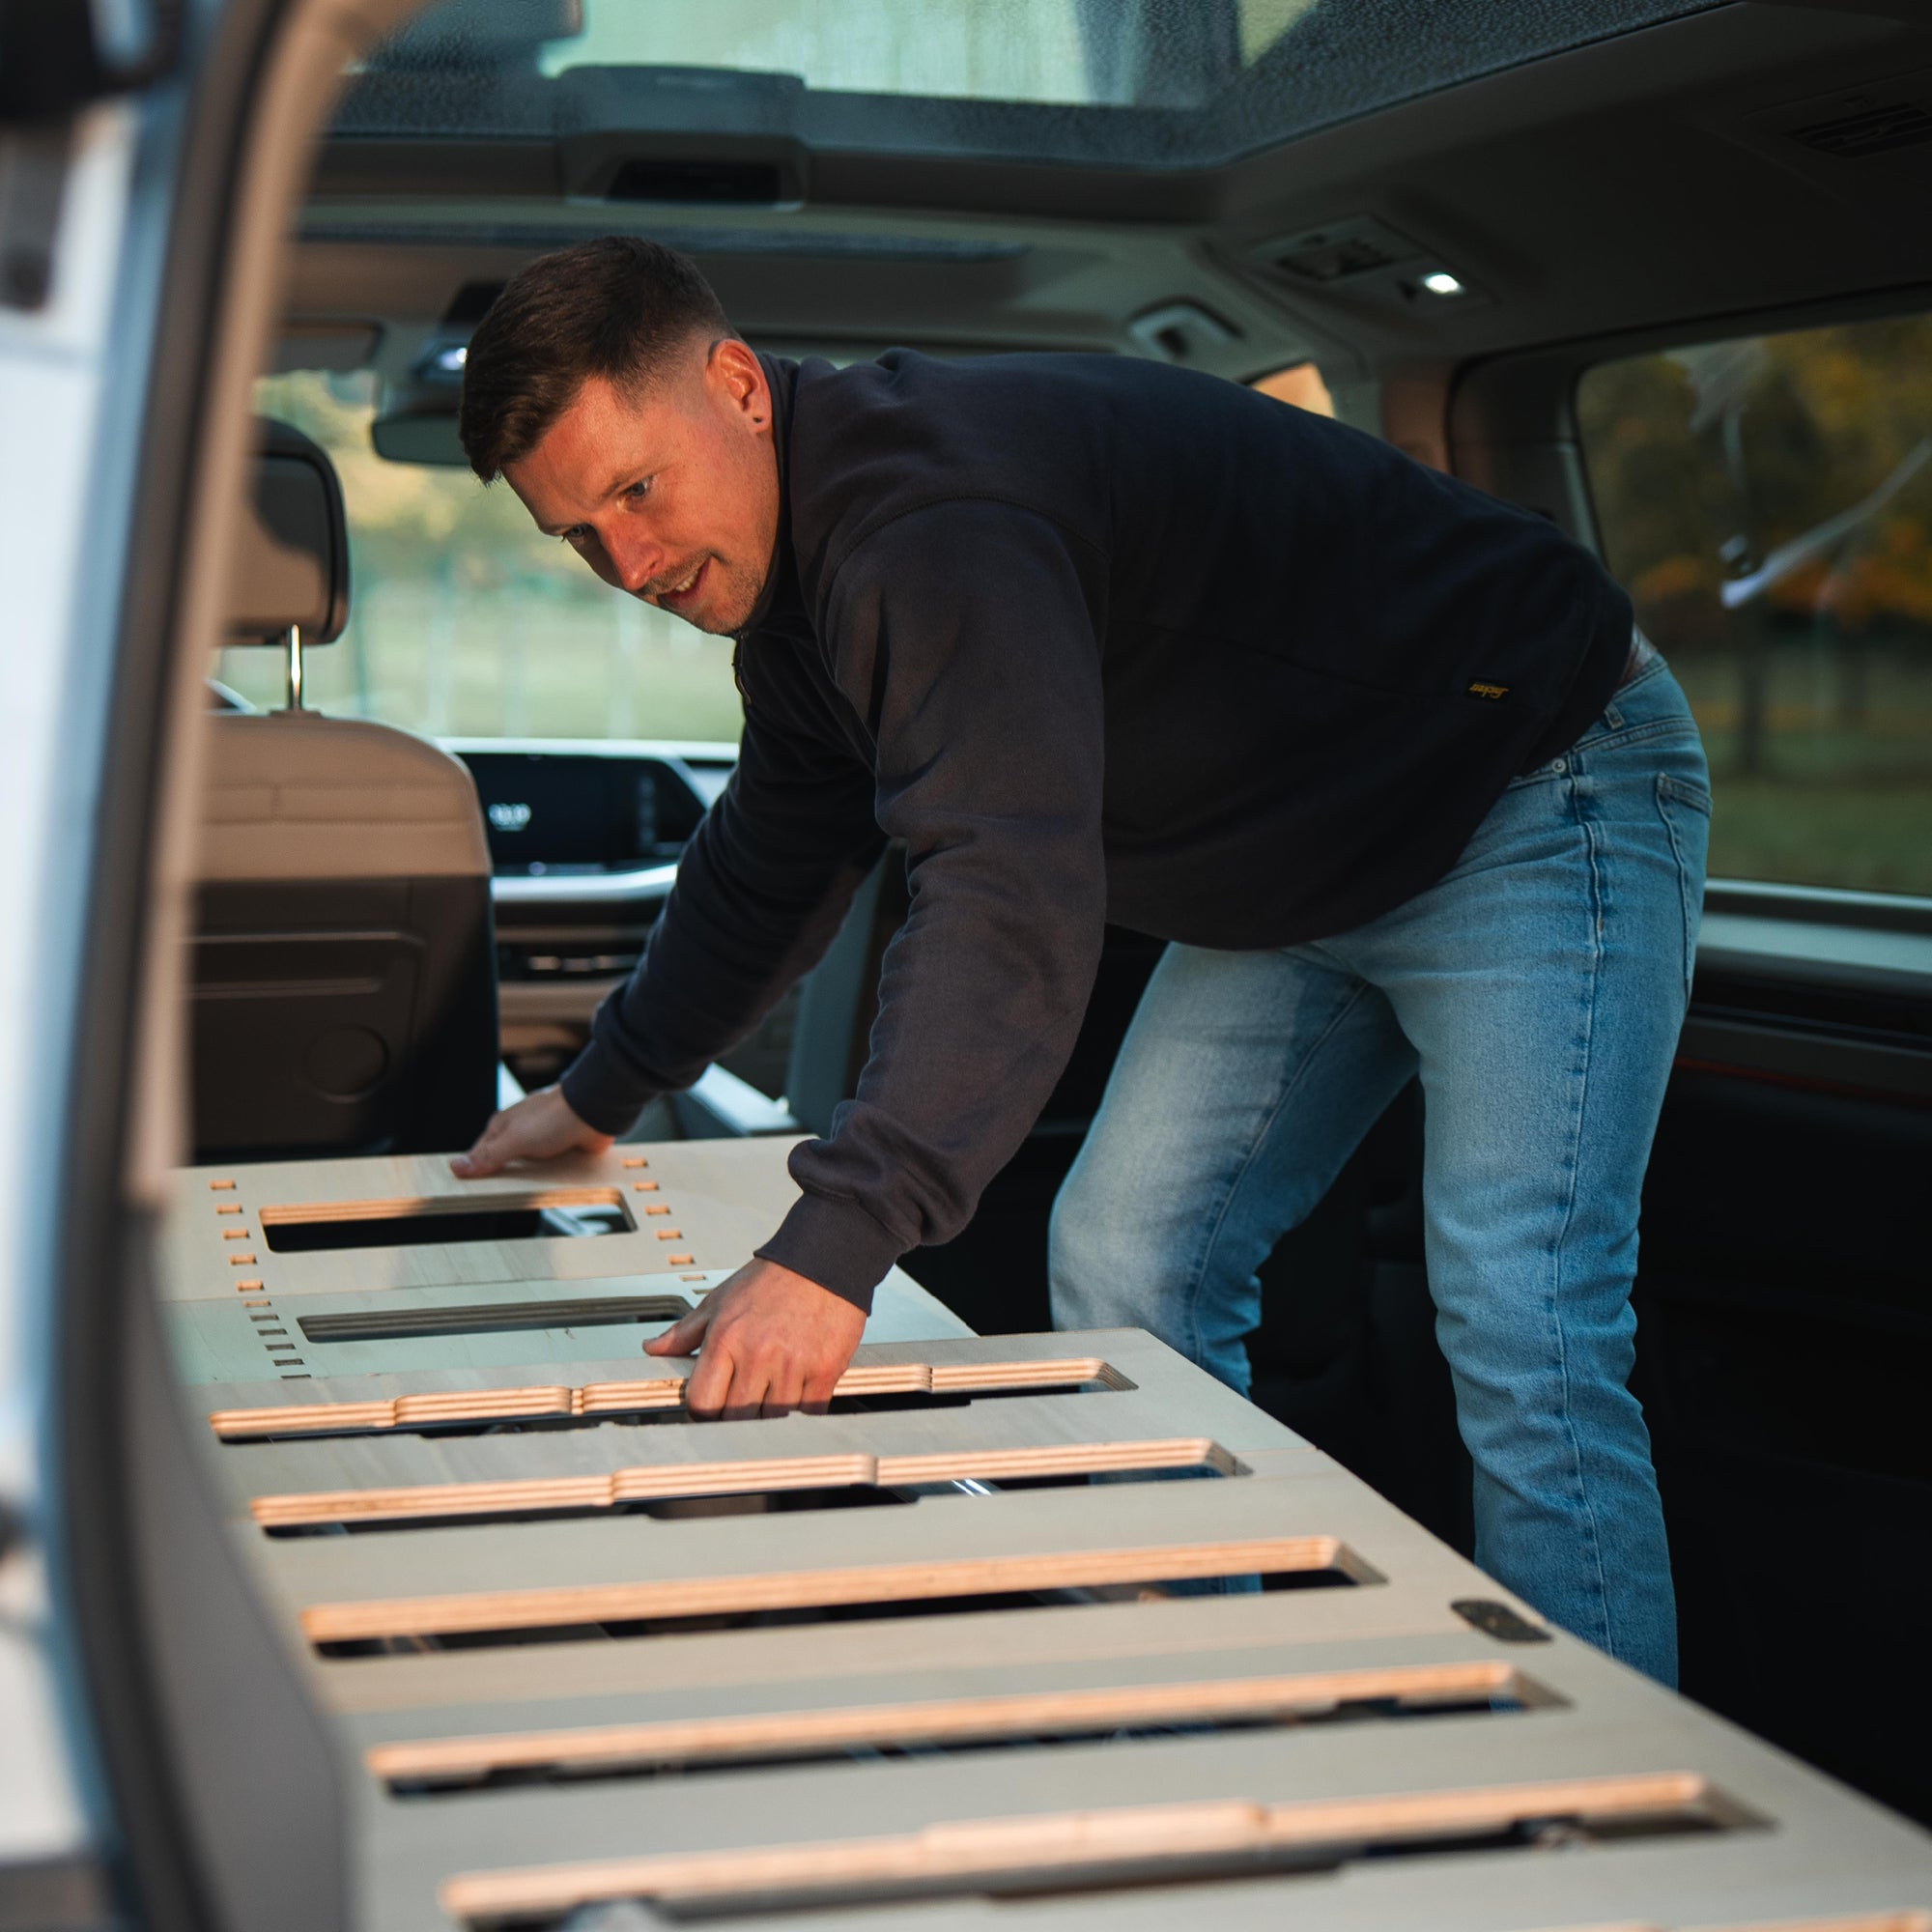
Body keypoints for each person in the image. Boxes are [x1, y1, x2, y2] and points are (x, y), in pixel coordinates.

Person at [449, 236, 1708, 1686]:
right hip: (1305, 864)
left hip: (1532, 784)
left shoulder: (930, 522)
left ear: (737, 388)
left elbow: (1004, 891)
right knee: (1127, 1254)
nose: (631, 565)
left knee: (1523, 1321)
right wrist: (603, 1090)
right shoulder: (799, 602)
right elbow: (775, 856)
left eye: (635, 493)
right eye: (578, 538)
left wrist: (835, 1248)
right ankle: (1225, 1713)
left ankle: (1611, 1815)